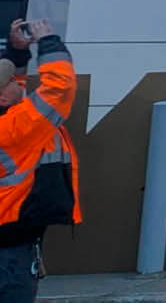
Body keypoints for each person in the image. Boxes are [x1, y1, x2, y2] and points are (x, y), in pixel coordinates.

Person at [0, 19, 80, 301]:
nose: (20, 82)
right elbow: (60, 88)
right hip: (9, 249)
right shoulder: (13, 129)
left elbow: (13, 85)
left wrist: (17, 53)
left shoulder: (12, 120)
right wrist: (49, 41)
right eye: (12, 81)